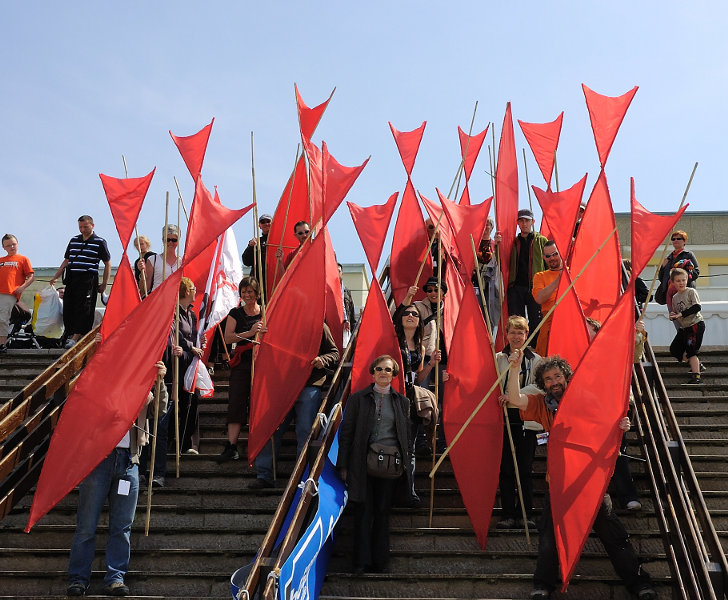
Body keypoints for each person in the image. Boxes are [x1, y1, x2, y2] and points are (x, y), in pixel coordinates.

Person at [501, 353, 656, 600]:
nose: (554, 382)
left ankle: (640, 584)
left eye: (558, 376)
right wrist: (516, 367)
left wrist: (622, 425)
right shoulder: (542, 404)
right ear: (543, 383)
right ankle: (543, 585)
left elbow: (612, 422)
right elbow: (516, 399)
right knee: (549, 540)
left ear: (566, 377)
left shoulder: (588, 400)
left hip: (590, 484)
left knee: (615, 537)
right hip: (559, 485)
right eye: (548, 378)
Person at [66, 360, 167, 597]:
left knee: (122, 527)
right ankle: (78, 578)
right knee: (86, 526)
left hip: (128, 461)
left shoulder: (142, 389)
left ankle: (115, 577)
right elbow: (79, 399)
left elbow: (159, 411)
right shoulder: (99, 385)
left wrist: (160, 382)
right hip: (98, 459)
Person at [337, 354, 412, 575]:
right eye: (379, 369)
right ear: (372, 372)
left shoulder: (402, 402)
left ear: (394, 375)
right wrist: (344, 464)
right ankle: (361, 562)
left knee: (382, 512)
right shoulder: (358, 399)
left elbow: (406, 437)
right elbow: (347, 433)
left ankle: (380, 562)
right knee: (362, 510)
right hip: (362, 463)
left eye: (388, 370)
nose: (383, 373)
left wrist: (406, 467)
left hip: (390, 466)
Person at [251, 323, 339, 488]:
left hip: (309, 384)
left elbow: (334, 353)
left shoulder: (319, 325)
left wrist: (323, 359)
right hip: (280, 386)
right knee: (270, 428)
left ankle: (301, 477)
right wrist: (261, 338)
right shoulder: (279, 322)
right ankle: (264, 475)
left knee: (305, 430)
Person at [495, 316, 542, 529]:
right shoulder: (498, 358)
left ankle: (525, 513)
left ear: (526, 334)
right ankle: (507, 514)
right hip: (503, 418)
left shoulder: (536, 360)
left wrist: (514, 395)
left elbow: (539, 388)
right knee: (506, 469)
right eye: (512, 332)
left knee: (524, 468)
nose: (516, 336)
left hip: (526, 418)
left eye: (520, 332)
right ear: (506, 334)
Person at [218, 277, 266, 462]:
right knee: (236, 402)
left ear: (257, 293)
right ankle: (231, 445)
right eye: (244, 292)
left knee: (258, 403)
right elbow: (228, 338)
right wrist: (250, 332)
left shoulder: (266, 311)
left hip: (261, 364)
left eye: (250, 292)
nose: (247, 295)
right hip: (241, 364)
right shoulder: (235, 313)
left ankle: (258, 442)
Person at [50, 215, 111, 349]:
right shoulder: (74, 240)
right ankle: (71, 333)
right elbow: (66, 260)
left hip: (88, 277)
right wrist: (56, 276)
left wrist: (104, 284)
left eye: (85, 227)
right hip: (72, 277)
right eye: (80, 227)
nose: (82, 229)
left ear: (92, 225)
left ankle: (76, 336)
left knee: (84, 307)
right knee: (69, 306)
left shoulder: (100, 242)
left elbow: (107, 263)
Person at [168, 277, 204, 459]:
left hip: (191, 362)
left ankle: (187, 443)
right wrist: (191, 346)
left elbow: (194, 335)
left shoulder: (192, 314)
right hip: (178, 362)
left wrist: (199, 343)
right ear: (186, 291)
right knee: (179, 402)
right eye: (193, 288)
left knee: (193, 401)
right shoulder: (173, 312)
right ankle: (172, 442)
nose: (195, 291)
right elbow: (177, 334)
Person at [507, 209, 548, 342]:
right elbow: (501, 260)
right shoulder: (512, 242)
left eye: (527, 220)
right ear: (517, 223)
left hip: (535, 286)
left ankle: (533, 349)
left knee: (536, 320)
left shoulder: (541, 240)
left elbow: (548, 263)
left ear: (532, 222)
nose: (524, 223)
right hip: (516, 287)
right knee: (515, 321)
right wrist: (497, 244)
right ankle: (517, 349)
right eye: (521, 221)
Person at [668, 267, 705, 385]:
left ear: (687, 280)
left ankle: (697, 376)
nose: (681, 283)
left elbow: (697, 307)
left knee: (691, 350)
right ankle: (696, 364)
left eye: (683, 280)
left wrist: (681, 314)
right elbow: (676, 312)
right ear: (673, 283)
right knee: (674, 349)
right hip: (685, 327)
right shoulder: (675, 297)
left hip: (695, 324)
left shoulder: (691, 292)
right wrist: (673, 315)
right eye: (678, 281)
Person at [0, 234, 34, 353]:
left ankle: (2, 344)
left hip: (9, 292)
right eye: (8, 245)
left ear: (17, 244)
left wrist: (22, 287)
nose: (12, 247)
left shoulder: (23, 259)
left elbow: (31, 276)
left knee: (2, 318)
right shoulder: (1, 260)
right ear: (4, 247)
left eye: (13, 244)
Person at [531, 241, 563, 357]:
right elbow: (539, 298)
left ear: (560, 253)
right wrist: (557, 281)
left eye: (555, 254)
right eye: (548, 256)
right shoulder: (540, 276)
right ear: (544, 258)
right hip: (549, 326)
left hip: (569, 325)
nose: (552, 258)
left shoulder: (572, 271)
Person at [657, 229, 699, 313]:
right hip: (671, 293)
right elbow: (662, 278)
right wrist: (662, 267)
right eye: (673, 239)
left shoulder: (688, 254)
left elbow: (696, 272)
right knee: (674, 317)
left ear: (684, 241)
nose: (675, 240)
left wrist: (683, 275)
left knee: (686, 317)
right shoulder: (668, 257)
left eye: (678, 238)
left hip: (684, 292)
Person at [473, 217, 502, 333]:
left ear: (492, 227)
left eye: (487, 225)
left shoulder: (495, 244)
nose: (485, 228)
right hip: (476, 282)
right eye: (482, 225)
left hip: (491, 283)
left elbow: (500, 261)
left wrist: (499, 247)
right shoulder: (474, 243)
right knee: (477, 310)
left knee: (491, 311)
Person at [144, 225, 182, 296]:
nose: (170, 242)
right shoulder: (152, 260)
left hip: (176, 302)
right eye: (167, 240)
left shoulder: (182, 262)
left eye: (174, 240)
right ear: (163, 240)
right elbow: (146, 287)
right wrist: (142, 272)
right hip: (157, 300)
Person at [242, 214, 271, 290]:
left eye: (268, 221)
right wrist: (250, 247)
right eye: (263, 222)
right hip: (259, 282)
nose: (266, 224)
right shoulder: (256, 242)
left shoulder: (279, 241)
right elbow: (246, 261)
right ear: (259, 226)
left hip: (274, 280)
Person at [338, 263, 356, 347]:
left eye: (339, 271)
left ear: (342, 273)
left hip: (346, 328)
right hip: (333, 325)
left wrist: (354, 332)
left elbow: (351, 312)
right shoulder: (327, 290)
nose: (337, 273)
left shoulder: (346, 291)